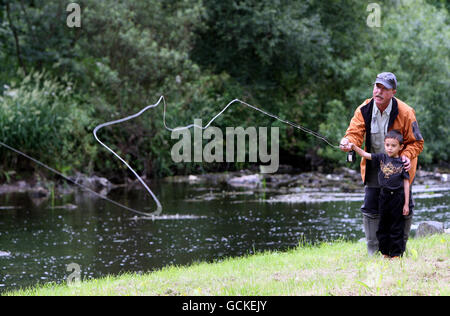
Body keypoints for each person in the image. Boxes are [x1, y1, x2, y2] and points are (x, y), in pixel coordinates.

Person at [339, 72, 424, 255]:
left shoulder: (406, 112)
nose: (379, 91)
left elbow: (417, 142)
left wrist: (407, 155)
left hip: (399, 168)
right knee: (371, 207)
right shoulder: (364, 109)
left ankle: (399, 250)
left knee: (403, 207)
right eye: (377, 86)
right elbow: (354, 133)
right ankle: (374, 251)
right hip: (373, 165)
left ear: (393, 92)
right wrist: (347, 142)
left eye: (385, 89)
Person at [349, 130, 410, 258]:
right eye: (387, 145)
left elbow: (406, 183)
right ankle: (385, 253)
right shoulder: (381, 157)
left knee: (396, 226)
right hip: (383, 196)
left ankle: (396, 254)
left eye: (393, 145)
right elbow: (365, 154)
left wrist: (406, 204)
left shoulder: (403, 163)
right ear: (384, 144)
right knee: (383, 225)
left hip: (398, 198)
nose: (390, 148)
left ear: (401, 147)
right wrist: (354, 147)